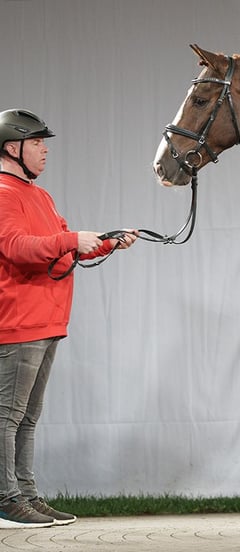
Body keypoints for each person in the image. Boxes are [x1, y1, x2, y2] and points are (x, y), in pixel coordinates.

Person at [0, 109, 137, 528]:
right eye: (38, 143)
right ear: (12, 147)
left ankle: (26, 492)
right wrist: (72, 238)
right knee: (8, 414)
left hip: (47, 320)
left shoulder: (38, 196)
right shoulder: (3, 192)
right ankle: (6, 499)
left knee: (27, 416)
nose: (45, 151)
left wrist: (105, 243)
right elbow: (17, 247)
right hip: (19, 320)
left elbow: (60, 246)